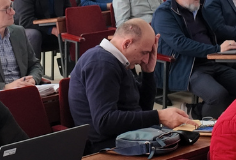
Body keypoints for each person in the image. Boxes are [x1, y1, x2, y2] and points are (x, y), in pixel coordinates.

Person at [69, 19, 191, 152]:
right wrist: (159, 116)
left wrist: (148, 73)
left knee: (188, 141)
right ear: (127, 43)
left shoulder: (119, 61)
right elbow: (104, 122)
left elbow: (142, 109)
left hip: (130, 137)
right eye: (144, 52)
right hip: (108, 146)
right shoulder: (101, 63)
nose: (145, 59)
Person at [153, 0, 236, 118]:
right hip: (184, 67)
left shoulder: (200, 8)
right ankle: (199, 120)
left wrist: (233, 44)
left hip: (212, 61)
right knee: (217, 96)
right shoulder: (164, 14)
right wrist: (217, 49)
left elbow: (216, 30)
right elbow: (180, 44)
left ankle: (195, 111)